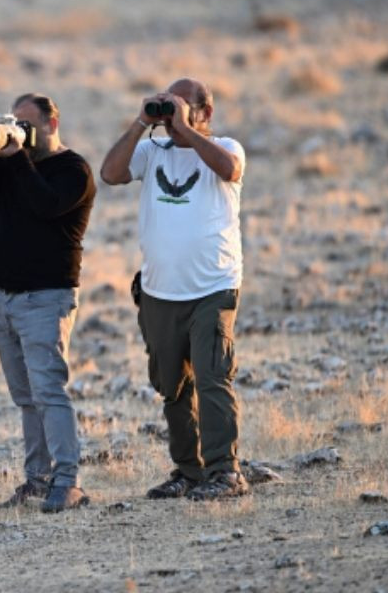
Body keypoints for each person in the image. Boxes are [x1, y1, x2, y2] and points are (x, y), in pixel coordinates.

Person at [99, 78, 249, 500]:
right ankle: (189, 471)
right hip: (159, 291)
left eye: (181, 107)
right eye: (166, 107)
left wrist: (186, 129)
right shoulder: (151, 151)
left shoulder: (226, 147)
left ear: (206, 112)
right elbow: (109, 174)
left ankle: (226, 472)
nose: (171, 117)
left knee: (212, 378)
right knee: (173, 386)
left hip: (212, 288)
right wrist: (139, 124)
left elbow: (230, 170)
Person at [0, 93, 96, 513]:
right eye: (14, 122)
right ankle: (36, 481)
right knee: (26, 398)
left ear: (52, 124)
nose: (21, 130)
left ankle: (67, 482)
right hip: (5, 298)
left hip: (46, 297)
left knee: (49, 391)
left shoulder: (74, 170)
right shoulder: (11, 165)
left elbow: (47, 204)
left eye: (27, 123)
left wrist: (18, 158)